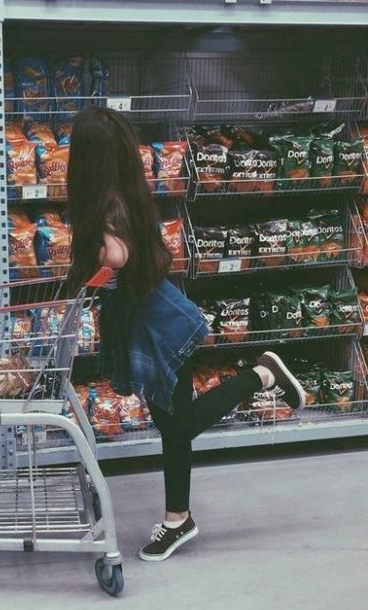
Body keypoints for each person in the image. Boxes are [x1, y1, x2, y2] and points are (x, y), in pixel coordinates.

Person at [65, 106, 306, 562]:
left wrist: (88, 253)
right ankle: (178, 519)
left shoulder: (106, 205)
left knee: (179, 425)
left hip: (160, 328)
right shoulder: (126, 193)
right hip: (154, 319)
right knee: (172, 425)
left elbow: (116, 254)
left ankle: (260, 374)